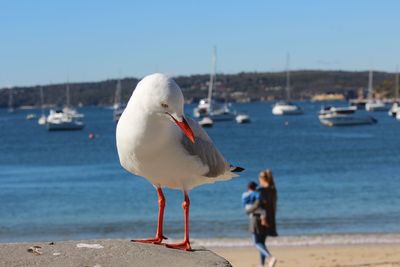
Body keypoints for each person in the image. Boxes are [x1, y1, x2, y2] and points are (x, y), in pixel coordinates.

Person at [246, 170, 278, 267]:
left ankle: (270, 257)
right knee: (262, 243)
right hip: (268, 219)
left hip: (257, 219)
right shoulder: (273, 190)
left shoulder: (260, 191)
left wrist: (248, 210)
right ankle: (262, 265)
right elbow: (273, 207)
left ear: (262, 179)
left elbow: (256, 204)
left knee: (256, 243)